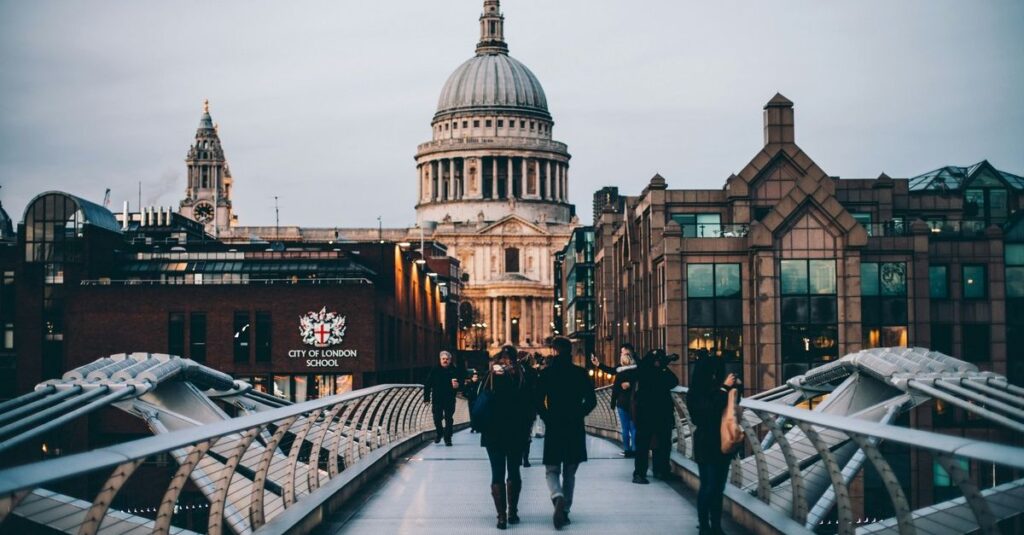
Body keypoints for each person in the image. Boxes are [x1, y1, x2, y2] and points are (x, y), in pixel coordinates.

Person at [536, 336, 597, 530]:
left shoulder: (546, 373)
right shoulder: (580, 373)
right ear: (570, 351)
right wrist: (579, 413)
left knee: (551, 469)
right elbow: (592, 400)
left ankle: (557, 496)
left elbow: (537, 400)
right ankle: (566, 510)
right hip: (574, 426)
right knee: (570, 472)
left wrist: (547, 417)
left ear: (554, 351)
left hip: (554, 426)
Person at [479, 345, 534, 529]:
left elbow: (477, 399)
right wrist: (527, 429)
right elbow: (530, 405)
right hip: (515, 433)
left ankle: (501, 517)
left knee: (497, 473)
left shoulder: (490, 377)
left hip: (492, 432)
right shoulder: (521, 377)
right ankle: (513, 512)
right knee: (514, 471)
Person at [687, 355, 739, 535]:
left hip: (722, 443)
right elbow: (706, 413)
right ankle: (704, 525)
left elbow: (732, 408)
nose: (715, 376)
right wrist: (724, 389)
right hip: (706, 442)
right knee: (708, 486)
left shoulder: (719, 389)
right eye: (712, 373)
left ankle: (716, 525)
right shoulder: (695, 392)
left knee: (718, 487)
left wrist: (734, 387)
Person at [631, 349, 679, 484]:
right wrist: (662, 367)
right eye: (657, 360)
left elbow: (674, 381)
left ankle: (659, 471)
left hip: (657, 413)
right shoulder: (645, 370)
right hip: (649, 412)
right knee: (646, 444)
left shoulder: (653, 370)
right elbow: (670, 381)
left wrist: (662, 367)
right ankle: (642, 473)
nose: (658, 362)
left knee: (662, 443)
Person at [590, 343, 638, 457]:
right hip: (634, 402)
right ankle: (635, 450)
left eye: (622, 352)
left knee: (625, 428)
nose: (621, 354)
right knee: (633, 427)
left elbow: (614, 384)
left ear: (627, 353)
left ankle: (627, 450)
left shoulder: (620, 371)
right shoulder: (637, 369)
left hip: (622, 402)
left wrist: (612, 403)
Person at [423, 351, 464, 446]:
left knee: (449, 418)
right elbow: (427, 384)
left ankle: (448, 438)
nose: (445, 361)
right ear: (440, 359)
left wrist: (458, 385)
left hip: (450, 398)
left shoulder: (455, 370)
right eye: (443, 359)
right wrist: (426, 398)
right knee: (437, 418)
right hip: (437, 398)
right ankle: (439, 433)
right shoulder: (435, 370)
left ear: (450, 360)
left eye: (447, 359)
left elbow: (462, 382)